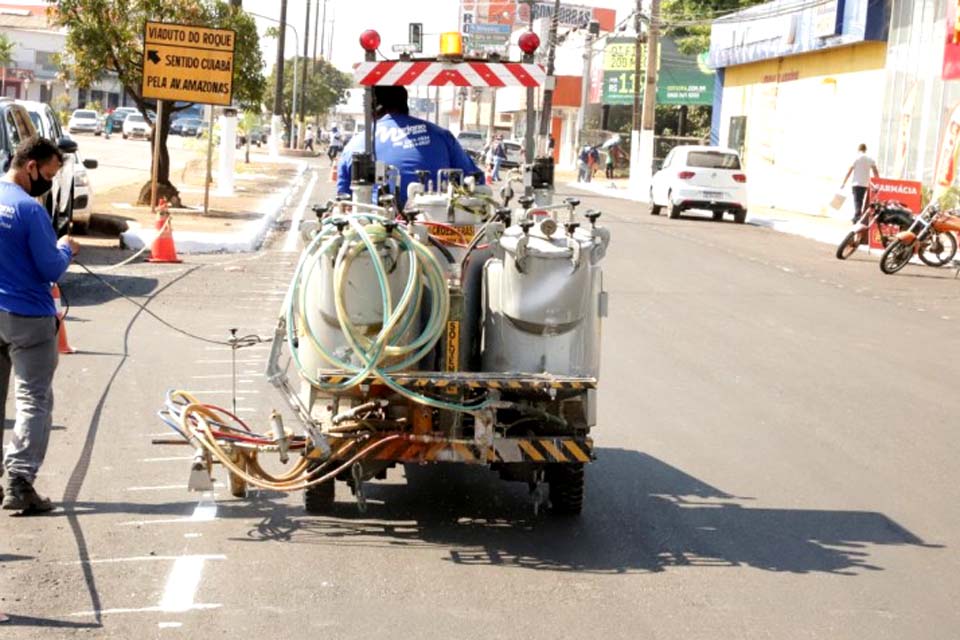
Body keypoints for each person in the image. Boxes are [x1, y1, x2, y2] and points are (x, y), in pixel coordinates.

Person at [0, 135, 78, 514]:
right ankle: (19, 480)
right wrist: (66, 248)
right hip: (28, 317)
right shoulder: (30, 212)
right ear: (30, 166)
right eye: (48, 174)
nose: (48, 183)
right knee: (34, 399)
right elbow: (50, 268)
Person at [336, 85, 483, 209]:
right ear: (405, 104)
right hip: (436, 225)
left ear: (374, 107)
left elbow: (344, 200)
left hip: (375, 229)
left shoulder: (355, 144)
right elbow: (475, 181)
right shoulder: (442, 136)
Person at [841, 143, 879, 221]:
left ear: (858, 149)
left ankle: (857, 217)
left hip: (856, 183)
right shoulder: (870, 159)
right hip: (865, 184)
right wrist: (878, 181)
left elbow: (849, 171)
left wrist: (844, 182)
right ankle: (858, 216)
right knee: (860, 200)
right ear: (865, 150)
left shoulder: (856, 158)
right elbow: (875, 170)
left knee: (857, 200)